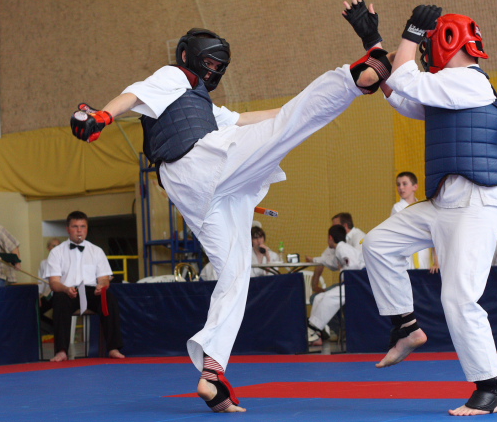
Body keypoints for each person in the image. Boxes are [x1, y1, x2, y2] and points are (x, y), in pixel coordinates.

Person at [70, 20, 391, 412]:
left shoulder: (205, 106)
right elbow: (132, 95)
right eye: (209, 63)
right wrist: (103, 116)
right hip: (198, 164)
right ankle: (356, 77)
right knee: (287, 127)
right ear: (188, 56)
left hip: (199, 190)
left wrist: (293, 110)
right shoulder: (173, 76)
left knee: (237, 273)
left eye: (217, 66)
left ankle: (212, 373)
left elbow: (255, 119)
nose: (213, 70)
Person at [348, 0, 497, 415]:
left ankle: (491, 390)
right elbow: (397, 93)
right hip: (446, 202)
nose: (424, 53)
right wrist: (372, 40)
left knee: (459, 298)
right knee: (378, 245)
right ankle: (406, 327)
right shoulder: (446, 88)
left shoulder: (469, 82)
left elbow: (405, 77)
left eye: (427, 44)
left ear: (444, 43)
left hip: (476, 204)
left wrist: (410, 34)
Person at [45, 211, 125, 362]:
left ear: (87, 229)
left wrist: (101, 286)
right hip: (68, 291)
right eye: (75, 227)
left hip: (91, 291)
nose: (79, 230)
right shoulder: (56, 252)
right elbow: (54, 283)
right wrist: (66, 289)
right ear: (68, 229)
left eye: (83, 226)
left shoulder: (97, 251)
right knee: (59, 299)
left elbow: (104, 279)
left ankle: (114, 348)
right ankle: (61, 351)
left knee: (109, 298)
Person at [307, 224, 364, 343]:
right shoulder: (341, 249)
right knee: (318, 298)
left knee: (328, 297)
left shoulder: (342, 248)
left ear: (330, 238)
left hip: (357, 283)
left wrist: (344, 274)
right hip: (352, 282)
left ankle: (313, 330)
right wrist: (314, 260)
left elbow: (353, 265)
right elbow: (329, 262)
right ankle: (315, 333)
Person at [305, 212, 365, 294]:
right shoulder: (337, 242)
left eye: (335, 225)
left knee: (321, 298)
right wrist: (314, 286)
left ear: (345, 226)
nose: (332, 228)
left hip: (359, 284)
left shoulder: (359, 237)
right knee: (315, 297)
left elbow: (356, 266)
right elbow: (323, 259)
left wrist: (315, 260)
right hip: (347, 282)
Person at [391, 172, 439, 273]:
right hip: (407, 258)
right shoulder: (398, 208)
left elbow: (434, 234)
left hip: (426, 258)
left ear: (415, 187)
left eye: (404, 184)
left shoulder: (424, 207)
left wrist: (436, 262)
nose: (401, 187)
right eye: (398, 184)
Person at [38, 238, 61, 334]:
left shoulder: (64, 261)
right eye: (54, 246)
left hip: (60, 293)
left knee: (58, 313)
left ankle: (58, 332)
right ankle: (52, 329)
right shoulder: (44, 263)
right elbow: (41, 281)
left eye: (58, 246)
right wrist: (39, 296)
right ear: (48, 248)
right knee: (37, 311)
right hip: (48, 294)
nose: (56, 248)